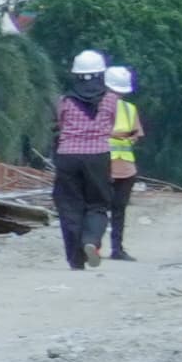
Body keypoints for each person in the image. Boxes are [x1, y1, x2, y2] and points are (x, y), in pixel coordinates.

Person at [49, 51, 119, 271]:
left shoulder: (65, 101)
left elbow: (60, 125)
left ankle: (75, 260)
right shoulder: (111, 100)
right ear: (100, 75)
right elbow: (113, 124)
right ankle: (91, 241)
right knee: (97, 205)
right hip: (98, 157)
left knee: (69, 207)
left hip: (68, 157)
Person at [106, 64, 144, 260]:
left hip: (124, 167)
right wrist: (121, 135)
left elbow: (136, 134)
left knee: (117, 209)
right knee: (104, 209)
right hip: (105, 165)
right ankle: (98, 246)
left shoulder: (130, 109)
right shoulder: (99, 106)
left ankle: (116, 248)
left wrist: (125, 136)